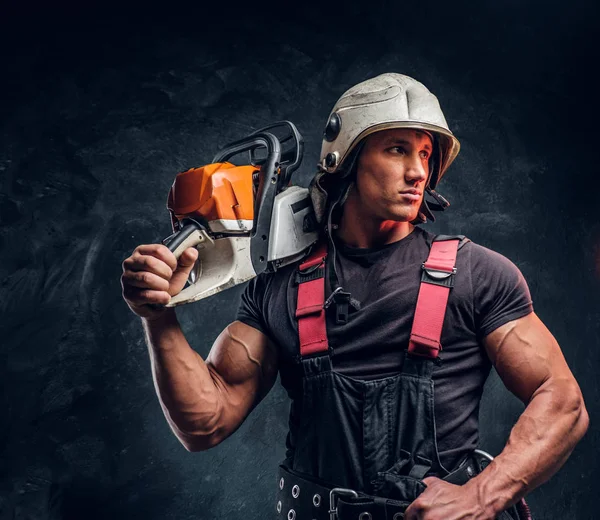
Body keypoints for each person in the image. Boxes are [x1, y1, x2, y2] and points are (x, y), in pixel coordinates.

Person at [121, 73, 589, 519]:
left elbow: (563, 399)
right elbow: (206, 422)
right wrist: (157, 316)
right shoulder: (279, 285)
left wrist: (484, 496)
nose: (416, 172)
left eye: (426, 155)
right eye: (397, 150)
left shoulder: (478, 274)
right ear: (344, 159)